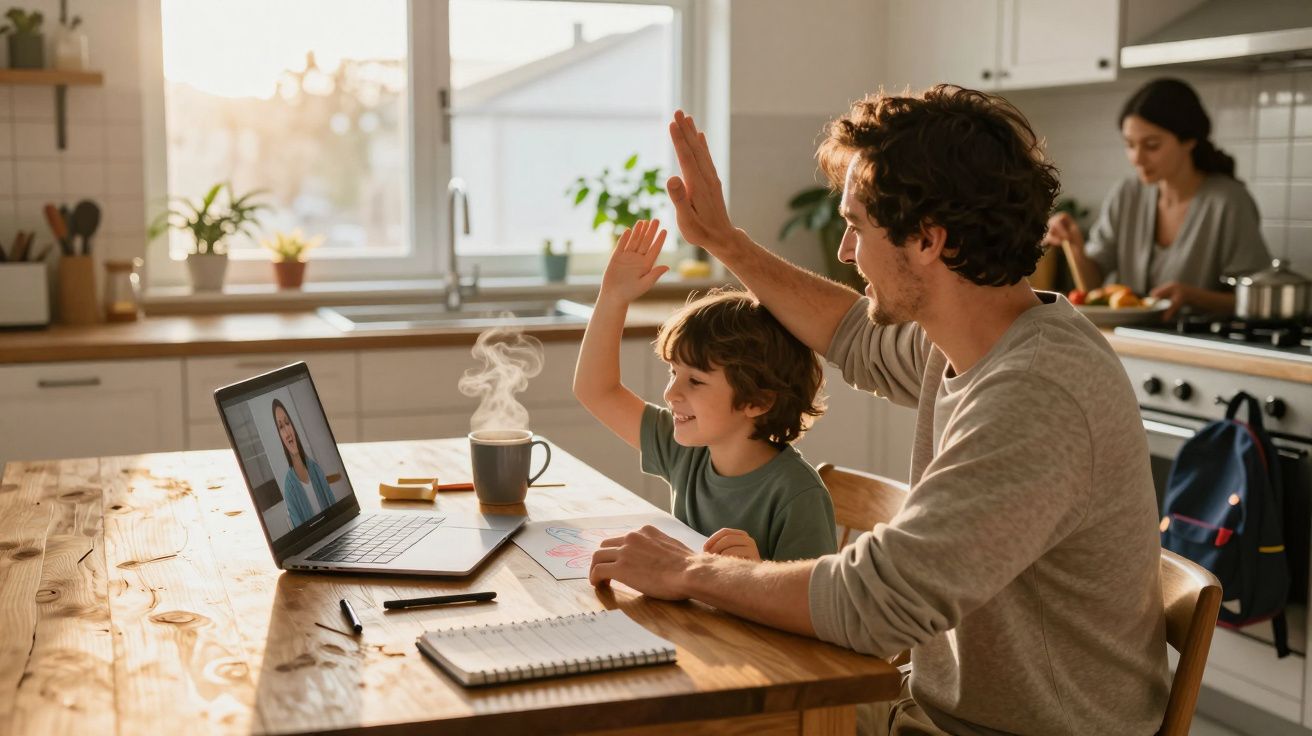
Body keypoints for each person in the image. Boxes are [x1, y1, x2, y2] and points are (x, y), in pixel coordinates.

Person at [589, 87, 1169, 735]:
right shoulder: (980, 335)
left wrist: (688, 569)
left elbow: (875, 604)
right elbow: (854, 337)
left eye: (856, 226)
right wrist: (726, 241)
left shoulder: (1036, 395)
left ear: (927, 239)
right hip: (931, 707)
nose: (843, 252)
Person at [573, 220, 836, 562]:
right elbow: (596, 390)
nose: (670, 393)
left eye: (695, 380)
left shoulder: (798, 495)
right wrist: (612, 296)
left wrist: (754, 572)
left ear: (758, 400)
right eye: (673, 372)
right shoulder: (687, 449)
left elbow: (812, 610)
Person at [1045, 77, 1271, 319]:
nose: (1137, 158)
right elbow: (1092, 289)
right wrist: (1076, 246)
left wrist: (1194, 296)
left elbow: (1258, 299)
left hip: (1199, 347)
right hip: (1129, 342)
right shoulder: (1126, 195)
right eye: (1130, 145)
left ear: (1189, 140)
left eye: (1151, 145)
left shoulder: (1228, 202)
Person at [272, 398, 334, 526]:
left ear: (293, 427)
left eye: (287, 423)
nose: (288, 432)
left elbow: (335, 508)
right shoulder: (289, 488)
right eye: (281, 427)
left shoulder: (315, 469)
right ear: (280, 437)